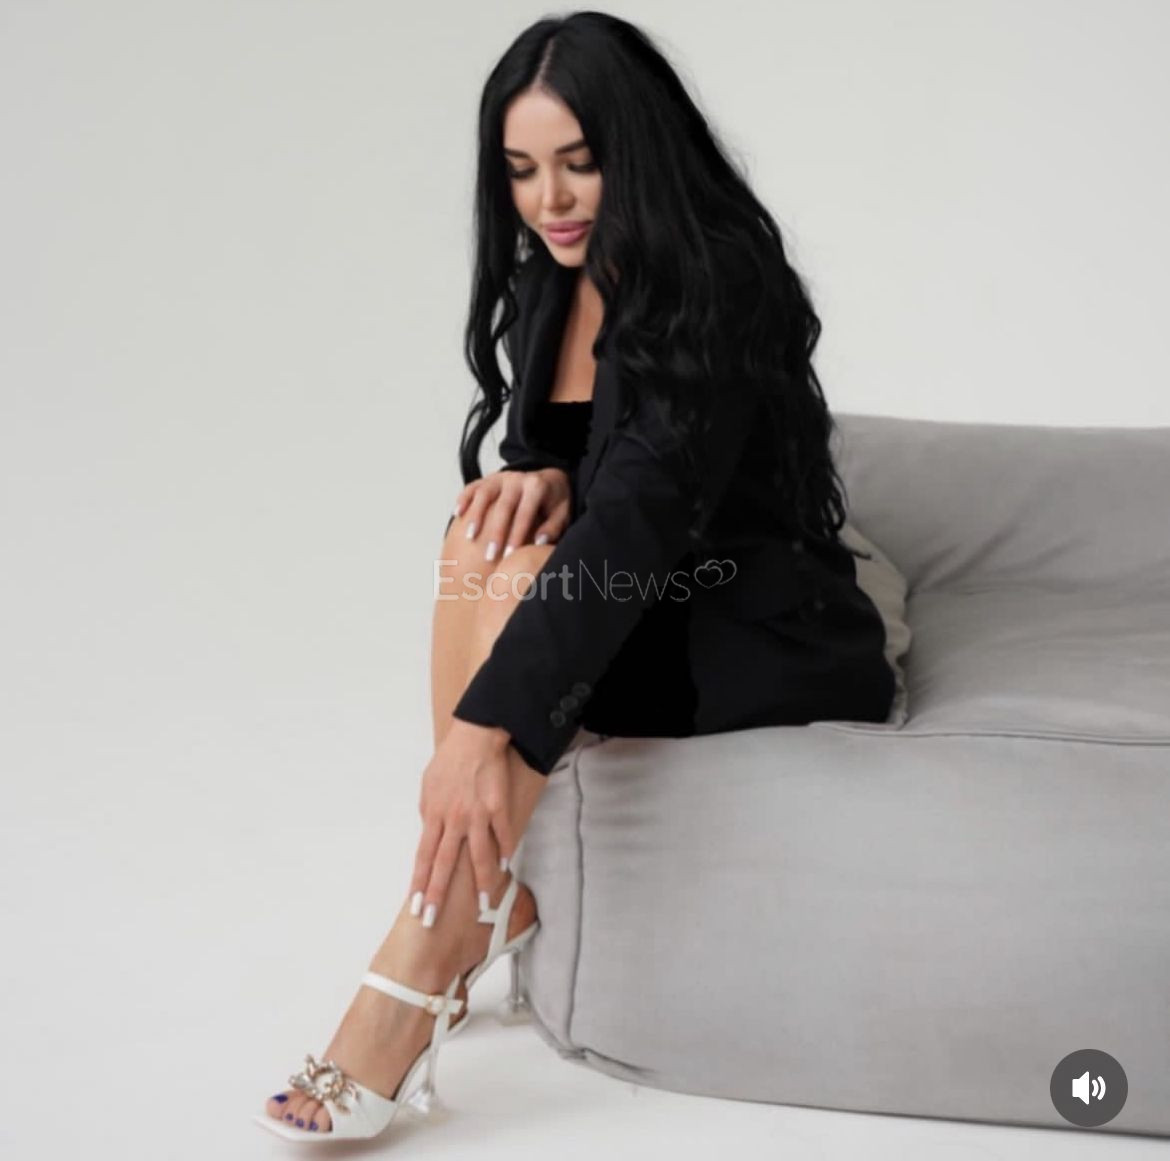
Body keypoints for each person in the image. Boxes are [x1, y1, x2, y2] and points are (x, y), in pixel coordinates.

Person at [255, 11, 894, 1142]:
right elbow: (568, 449)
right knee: (481, 535)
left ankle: (431, 945)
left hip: (753, 622)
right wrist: (543, 473)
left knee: (508, 589)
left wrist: (481, 727)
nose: (549, 199)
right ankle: (477, 899)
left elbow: (640, 523)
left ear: (634, 152)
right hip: (648, 595)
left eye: (579, 163)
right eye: (521, 170)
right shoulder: (556, 273)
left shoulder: (716, 279)